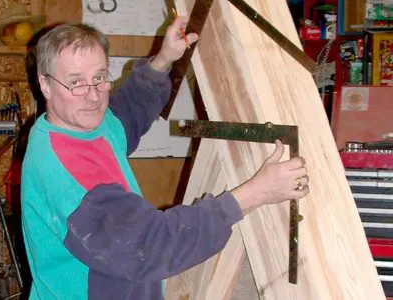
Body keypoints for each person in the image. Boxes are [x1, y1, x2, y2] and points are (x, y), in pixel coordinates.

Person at [20, 16, 309, 300]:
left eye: (99, 77)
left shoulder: (82, 123)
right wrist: (255, 194)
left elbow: (125, 116)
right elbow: (150, 246)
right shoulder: (63, 173)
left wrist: (163, 61)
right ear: (45, 85)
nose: (93, 96)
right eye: (76, 83)